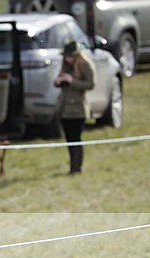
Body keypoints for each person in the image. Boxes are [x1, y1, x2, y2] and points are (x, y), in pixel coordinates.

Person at [54, 40, 96, 174]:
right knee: (69, 139)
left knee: (75, 138)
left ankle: (77, 167)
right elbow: (57, 81)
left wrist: (73, 81)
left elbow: (90, 84)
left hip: (78, 109)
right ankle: (72, 165)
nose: (68, 59)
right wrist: (59, 81)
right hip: (64, 108)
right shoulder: (65, 66)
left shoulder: (85, 65)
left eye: (70, 56)